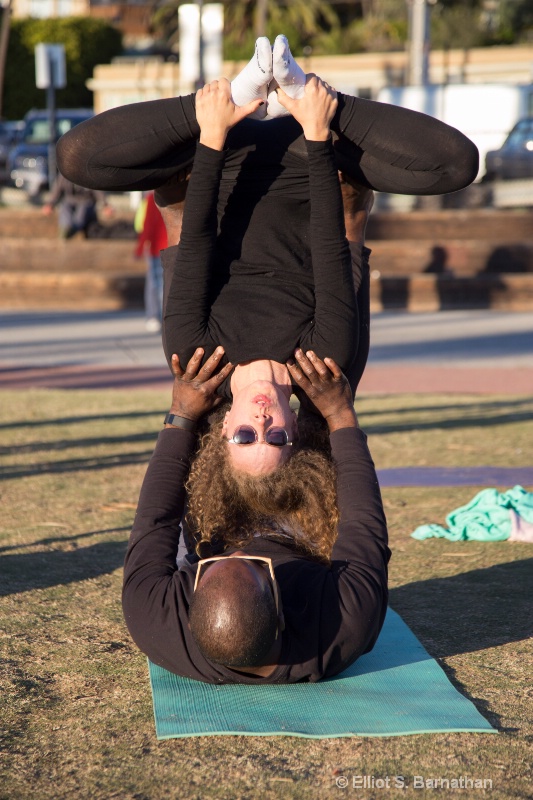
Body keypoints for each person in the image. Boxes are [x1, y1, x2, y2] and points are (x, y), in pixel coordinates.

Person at [122, 343, 389, 683]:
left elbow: (156, 519)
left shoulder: (153, 618)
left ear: (192, 609)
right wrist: (338, 414)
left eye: (217, 568)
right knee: (331, 368)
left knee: (225, 427)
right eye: (256, 564)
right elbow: (362, 524)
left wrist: (182, 414)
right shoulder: (346, 624)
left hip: (213, 530)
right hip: (301, 540)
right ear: (282, 612)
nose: (242, 550)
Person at [134, 191, 168, 332]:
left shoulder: (151, 198)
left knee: (154, 284)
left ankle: (154, 316)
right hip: (171, 247)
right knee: (166, 285)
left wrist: (140, 248)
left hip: (156, 248)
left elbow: (148, 224)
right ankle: (163, 317)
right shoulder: (174, 194)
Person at [42, 173, 112, 239]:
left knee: (81, 214)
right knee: (65, 210)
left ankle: (74, 232)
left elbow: (98, 192)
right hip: (70, 201)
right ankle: (64, 234)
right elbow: (57, 190)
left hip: (86, 202)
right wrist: (50, 204)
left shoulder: (89, 174)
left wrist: (105, 205)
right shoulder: (66, 173)